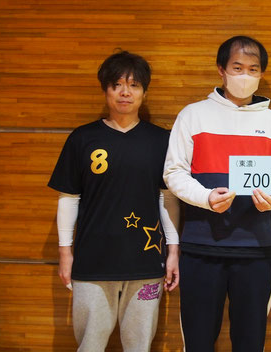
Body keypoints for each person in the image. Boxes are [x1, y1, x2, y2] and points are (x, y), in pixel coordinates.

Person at [163, 35, 271, 351]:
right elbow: (173, 173)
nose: (245, 76)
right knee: (198, 340)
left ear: (261, 73)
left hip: (255, 250)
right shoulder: (193, 115)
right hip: (201, 247)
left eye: (253, 69)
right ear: (221, 69)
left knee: (250, 342)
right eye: (238, 67)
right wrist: (206, 198)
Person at [48, 50, 180, 352]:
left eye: (133, 85)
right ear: (105, 90)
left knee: (139, 346)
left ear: (144, 92)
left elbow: (168, 200)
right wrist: (65, 253)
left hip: (146, 263)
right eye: (117, 84)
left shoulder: (161, 141)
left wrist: (173, 251)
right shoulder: (82, 138)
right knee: (90, 345)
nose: (125, 92)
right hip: (93, 263)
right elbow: (68, 198)